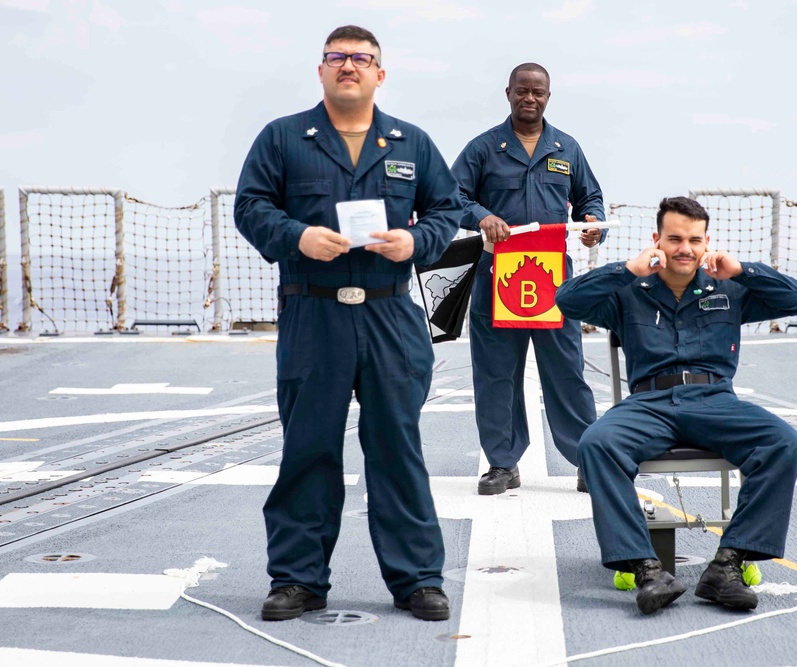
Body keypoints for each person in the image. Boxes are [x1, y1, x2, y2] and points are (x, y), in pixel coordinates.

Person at [234, 25, 460, 622]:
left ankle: (417, 579)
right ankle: (298, 579)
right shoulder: (284, 138)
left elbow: (448, 209)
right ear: (321, 70)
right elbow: (251, 206)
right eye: (337, 58)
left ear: (380, 74)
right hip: (314, 312)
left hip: (390, 313)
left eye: (362, 59)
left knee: (397, 449)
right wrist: (298, 236)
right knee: (307, 449)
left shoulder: (411, 142)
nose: (349, 67)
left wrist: (414, 241)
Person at [554, 196, 797, 615]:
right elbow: (568, 301)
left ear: (707, 242)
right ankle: (646, 568)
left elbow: (796, 300)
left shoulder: (729, 289)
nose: (684, 249)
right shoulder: (629, 290)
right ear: (657, 239)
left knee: (783, 443)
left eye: (694, 239)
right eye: (674, 238)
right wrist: (628, 269)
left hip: (714, 401)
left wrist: (743, 270)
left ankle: (726, 567)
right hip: (649, 403)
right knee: (596, 444)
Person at [451, 62, 605, 495]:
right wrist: (482, 217)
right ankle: (502, 463)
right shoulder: (483, 148)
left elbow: (590, 198)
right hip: (496, 278)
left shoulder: (567, 148)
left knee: (567, 371)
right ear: (508, 93)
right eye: (522, 91)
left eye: (538, 92)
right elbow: (450, 198)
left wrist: (593, 222)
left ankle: (586, 461)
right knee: (496, 372)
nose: (530, 98)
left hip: (554, 280)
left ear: (548, 96)